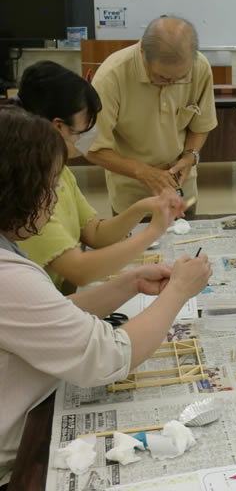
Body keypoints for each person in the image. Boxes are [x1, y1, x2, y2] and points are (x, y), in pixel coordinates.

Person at [0, 106, 212, 486]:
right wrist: (179, 290)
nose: (54, 197)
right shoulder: (7, 275)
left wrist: (128, 284)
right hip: (14, 456)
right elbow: (108, 357)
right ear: (17, 187)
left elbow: (46, 317)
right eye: (49, 185)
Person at [13, 61, 185, 293]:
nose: (91, 131)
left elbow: (95, 234)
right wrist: (153, 231)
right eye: (86, 123)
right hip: (37, 304)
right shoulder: (26, 188)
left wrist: (145, 207)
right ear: (58, 127)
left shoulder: (61, 171)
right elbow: (80, 271)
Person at [87, 16, 217, 214]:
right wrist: (143, 172)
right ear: (142, 53)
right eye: (163, 77)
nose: (172, 83)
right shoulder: (112, 76)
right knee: (136, 244)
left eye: (180, 78)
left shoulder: (199, 67)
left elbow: (201, 125)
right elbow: (90, 147)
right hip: (132, 198)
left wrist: (191, 156)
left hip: (181, 190)